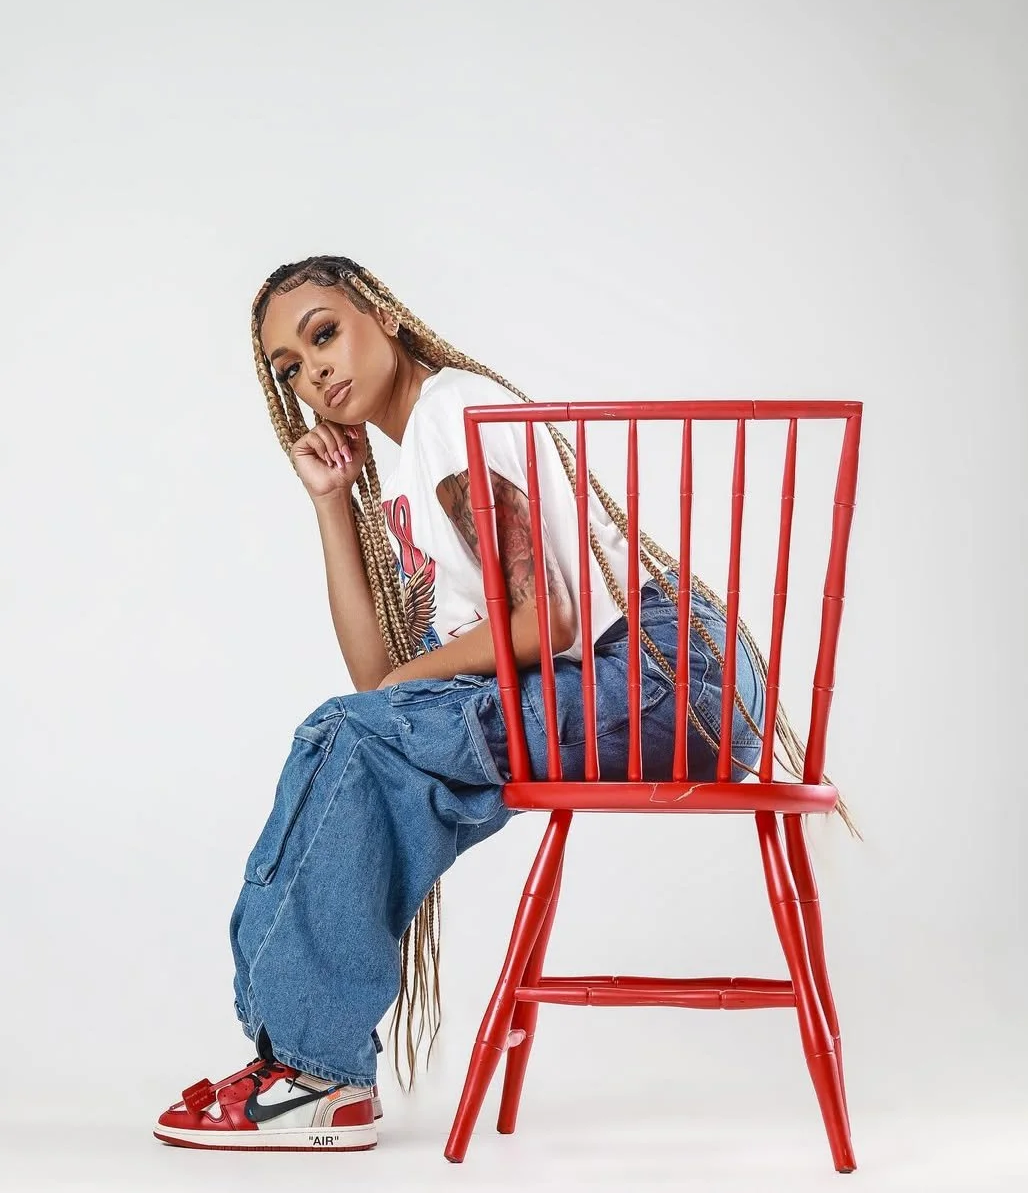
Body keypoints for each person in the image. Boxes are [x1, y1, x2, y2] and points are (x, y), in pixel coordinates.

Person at [154, 256, 850, 1152]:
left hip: (666, 673)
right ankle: (305, 1063)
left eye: (323, 333)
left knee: (351, 736)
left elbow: (543, 618)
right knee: (354, 734)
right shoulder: (409, 466)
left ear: (386, 315)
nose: (313, 372)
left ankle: (312, 1072)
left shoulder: (448, 414)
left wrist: (394, 700)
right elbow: (380, 682)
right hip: (631, 685)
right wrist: (330, 501)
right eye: (289, 368)